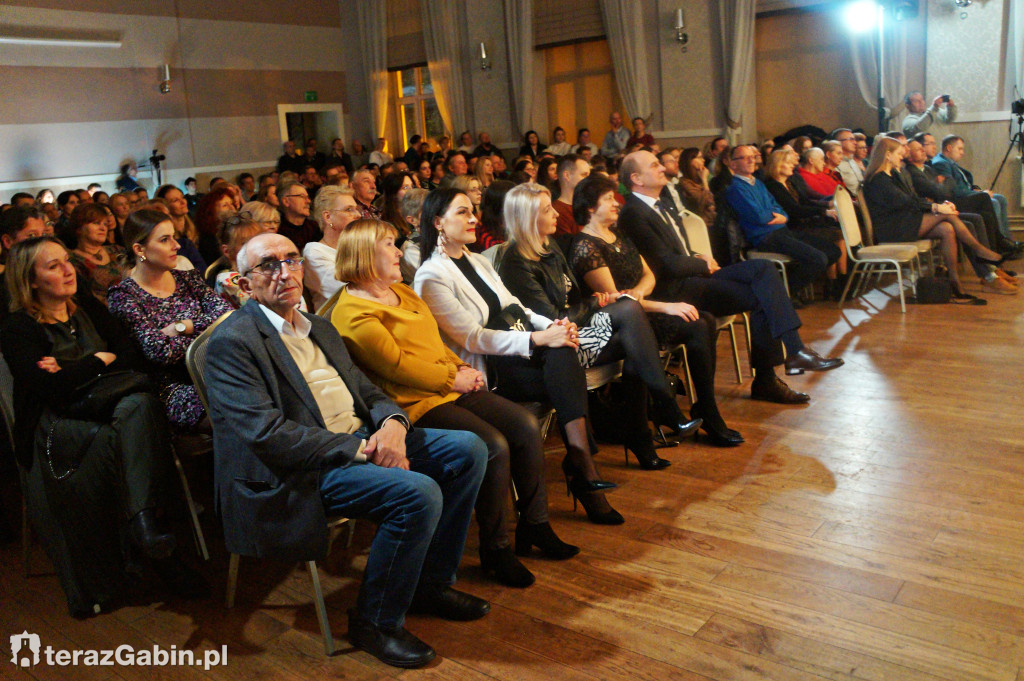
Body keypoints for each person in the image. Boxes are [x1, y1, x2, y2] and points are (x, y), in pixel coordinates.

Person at [206, 231, 489, 668]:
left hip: (359, 440)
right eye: (268, 265)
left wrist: (394, 425)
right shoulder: (233, 343)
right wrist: (362, 450)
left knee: (468, 449)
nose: (285, 271)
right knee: (417, 493)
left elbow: (368, 391)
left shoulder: (319, 325)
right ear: (244, 284)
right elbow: (268, 435)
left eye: (292, 259)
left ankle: (429, 585)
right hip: (301, 467)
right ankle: (375, 622)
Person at [332, 219, 577, 588]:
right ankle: (495, 549)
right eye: (389, 245)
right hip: (412, 403)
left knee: (524, 427)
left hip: (448, 386)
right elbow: (399, 368)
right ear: (365, 254)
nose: (399, 252)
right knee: (493, 445)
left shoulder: (402, 291)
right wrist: (454, 378)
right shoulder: (353, 313)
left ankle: (535, 524)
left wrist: (461, 368)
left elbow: (434, 342)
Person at [1, 236, 207, 616]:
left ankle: (145, 532)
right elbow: (52, 391)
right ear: (30, 281)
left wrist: (76, 367)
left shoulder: (89, 309)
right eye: (53, 266)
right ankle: (153, 543)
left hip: (111, 408)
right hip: (58, 426)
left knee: (138, 407)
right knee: (137, 416)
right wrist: (99, 359)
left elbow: (133, 355)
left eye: (67, 261)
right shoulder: (17, 328)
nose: (67, 270)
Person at [414, 188, 624, 525]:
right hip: (488, 373)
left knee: (561, 351)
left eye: (474, 211)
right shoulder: (430, 276)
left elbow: (518, 307)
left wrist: (556, 326)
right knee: (558, 352)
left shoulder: (477, 260)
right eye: (462, 213)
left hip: (518, 356)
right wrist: (541, 337)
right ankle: (583, 467)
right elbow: (472, 337)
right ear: (438, 222)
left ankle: (583, 465)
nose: (473, 219)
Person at [500, 182, 721, 456]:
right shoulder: (516, 262)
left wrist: (596, 301)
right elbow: (552, 318)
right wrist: (595, 301)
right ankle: (663, 406)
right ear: (528, 217)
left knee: (636, 341)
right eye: (548, 210)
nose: (557, 214)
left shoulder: (548, 245)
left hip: (579, 327)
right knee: (630, 314)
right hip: (558, 345)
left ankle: (643, 436)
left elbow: (579, 296)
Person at [617, 150, 843, 403]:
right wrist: (702, 264)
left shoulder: (663, 202)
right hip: (674, 290)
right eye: (655, 164)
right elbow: (666, 265)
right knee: (763, 294)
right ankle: (775, 372)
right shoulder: (633, 213)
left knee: (763, 269)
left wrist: (700, 258)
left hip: (693, 276)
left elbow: (677, 251)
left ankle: (793, 352)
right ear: (636, 178)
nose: (662, 168)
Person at [107, 210, 232, 430]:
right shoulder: (124, 295)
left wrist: (182, 327)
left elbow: (227, 315)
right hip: (171, 388)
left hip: (215, 369)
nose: (177, 245)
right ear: (140, 250)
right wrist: (207, 333)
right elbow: (160, 352)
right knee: (236, 412)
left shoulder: (188, 278)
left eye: (173, 237)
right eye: (165, 240)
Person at [862, 138, 1003, 303]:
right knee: (946, 215)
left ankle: (954, 281)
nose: (902, 157)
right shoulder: (878, 180)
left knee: (947, 229)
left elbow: (911, 199)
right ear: (887, 155)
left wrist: (939, 206)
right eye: (899, 154)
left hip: (903, 222)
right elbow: (907, 202)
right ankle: (978, 250)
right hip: (891, 229)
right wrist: (937, 208)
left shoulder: (892, 175)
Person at [930, 135, 1019, 250]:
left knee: (1000, 198)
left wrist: (975, 191)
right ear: (949, 148)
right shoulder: (941, 163)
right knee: (990, 200)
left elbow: (962, 185)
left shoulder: (949, 162)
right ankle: (1000, 243)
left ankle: (1006, 239)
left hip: (966, 194)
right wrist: (979, 194)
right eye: (960, 149)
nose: (962, 153)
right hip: (955, 200)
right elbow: (953, 190)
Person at [303, 185, 361, 310]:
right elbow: (348, 291)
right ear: (327, 217)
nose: (357, 215)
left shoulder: (359, 247)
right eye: (349, 209)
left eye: (356, 209)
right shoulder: (314, 252)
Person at [67, 203, 125, 304]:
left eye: (105, 224)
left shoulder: (117, 250)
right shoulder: (72, 261)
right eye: (96, 223)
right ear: (79, 228)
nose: (103, 228)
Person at [205, 211, 263, 307]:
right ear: (227, 251)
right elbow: (262, 309)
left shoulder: (259, 270)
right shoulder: (227, 279)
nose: (254, 246)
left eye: (256, 240)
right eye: (245, 243)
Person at [155, 184, 206, 271]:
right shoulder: (170, 239)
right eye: (175, 200)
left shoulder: (198, 225)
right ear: (165, 207)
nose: (183, 202)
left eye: (182, 197)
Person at [275, 179, 322, 251]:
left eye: (308, 197)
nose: (308, 201)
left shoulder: (316, 228)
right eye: (302, 196)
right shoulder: (277, 232)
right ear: (286, 201)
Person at [677, 148, 717, 229]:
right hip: (699, 224)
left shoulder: (699, 180)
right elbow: (705, 201)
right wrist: (705, 180)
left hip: (711, 221)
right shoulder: (685, 183)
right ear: (690, 161)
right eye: (699, 157)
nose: (703, 160)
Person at [832, 129, 865, 195]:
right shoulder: (836, 163)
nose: (855, 143)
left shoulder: (852, 160)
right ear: (839, 142)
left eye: (854, 139)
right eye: (851, 139)